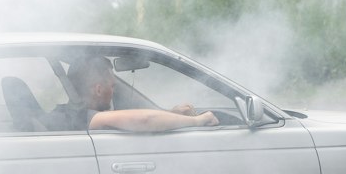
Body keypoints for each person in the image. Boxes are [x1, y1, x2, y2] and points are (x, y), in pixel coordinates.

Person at [46, 54, 219, 132]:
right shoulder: (82, 118)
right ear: (98, 89)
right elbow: (145, 119)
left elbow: (139, 115)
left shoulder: (65, 114)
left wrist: (171, 114)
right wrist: (197, 120)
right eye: (113, 86)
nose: (113, 92)